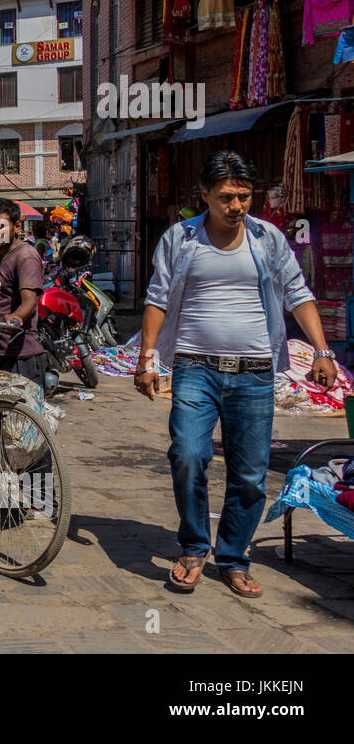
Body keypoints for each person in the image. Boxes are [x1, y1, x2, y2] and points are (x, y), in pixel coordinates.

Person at [138, 151, 339, 599]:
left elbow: (297, 294)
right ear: (205, 195)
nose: (237, 206)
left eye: (245, 196)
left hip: (255, 374)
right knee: (188, 455)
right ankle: (193, 547)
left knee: (249, 475)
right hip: (195, 368)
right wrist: (147, 357)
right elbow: (158, 297)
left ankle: (232, 557)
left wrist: (322, 351)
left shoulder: (268, 239)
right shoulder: (181, 239)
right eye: (226, 197)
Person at [0, 198, 46, 390]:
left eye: (0, 227)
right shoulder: (2, 253)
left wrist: (16, 317)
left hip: (20, 356)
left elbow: (29, 300)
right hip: (0, 352)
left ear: (17, 226)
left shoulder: (25, 256)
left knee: (21, 418)